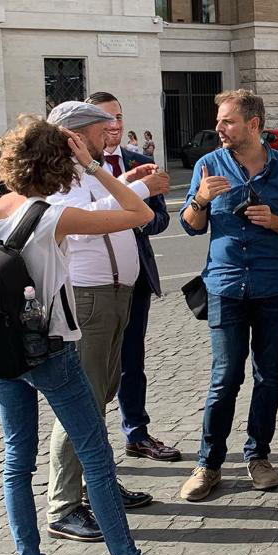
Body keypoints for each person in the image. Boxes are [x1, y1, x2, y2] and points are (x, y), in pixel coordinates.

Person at [0, 110, 158, 555]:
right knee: (96, 457)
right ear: (61, 163)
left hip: (2, 350)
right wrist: (95, 166)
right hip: (51, 349)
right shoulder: (51, 216)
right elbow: (138, 213)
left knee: (17, 462)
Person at [43, 102, 170, 542]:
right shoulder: (58, 177)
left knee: (101, 396)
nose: (109, 136)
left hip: (116, 295)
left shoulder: (89, 173)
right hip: (89, 298)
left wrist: (119, 178)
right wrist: (106, 175)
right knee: (82, 401)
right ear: (75, 137)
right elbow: (85, 223)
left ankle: (95, 482)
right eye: (101, 130)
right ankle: (64, 504)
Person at [178, 89, 278, 502]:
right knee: (225, 377)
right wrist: (200, 199)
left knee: (267, 376)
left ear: (253, 124)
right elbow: (190, 225)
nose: (219, 128)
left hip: (272, 286)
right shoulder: (208, 165)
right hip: (226, 286)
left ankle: (259, 457)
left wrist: (274, 221)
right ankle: (208, 464)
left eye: (227, 121)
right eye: (219, 121)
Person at [85, 92, 179, 463]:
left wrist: (138, 218)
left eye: (119, 117)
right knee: (95, 368)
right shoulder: (78, 169)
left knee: (131, 360)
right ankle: (96, 445)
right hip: (90, 285)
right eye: (106, 119)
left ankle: (136, 433)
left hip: (134, 277)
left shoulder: (142, 161)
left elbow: (159, 218)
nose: (115, 125)